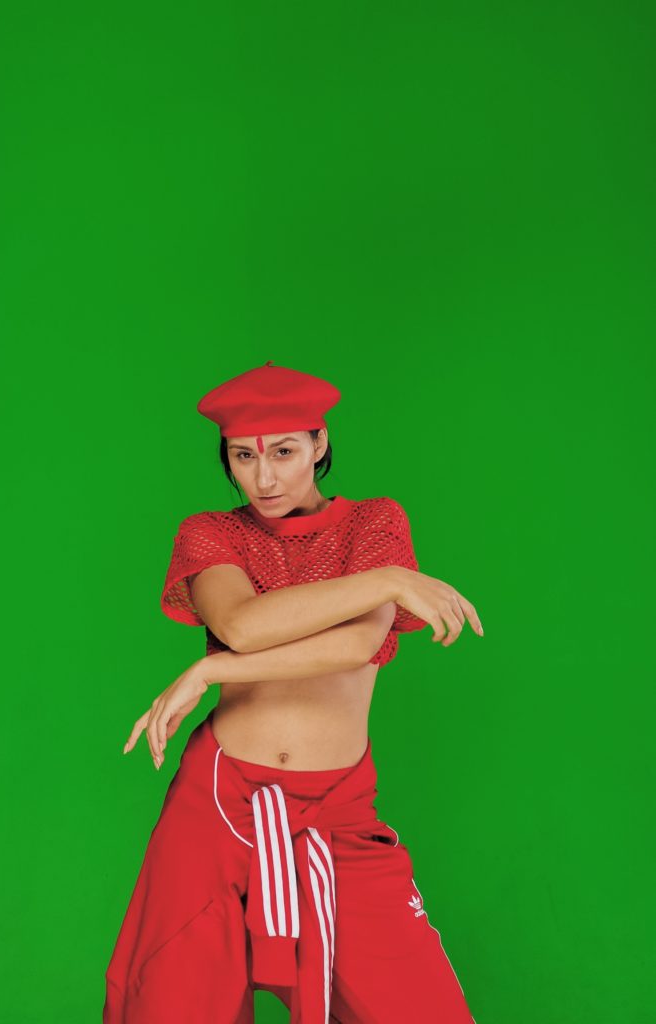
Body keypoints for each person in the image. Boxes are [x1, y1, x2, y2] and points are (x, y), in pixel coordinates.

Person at [103, 360, 484, 1023]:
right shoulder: (211, 533)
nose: (264, 478)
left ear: (319, 442)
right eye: (243, 456)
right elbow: (240, 626)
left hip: (338, 812)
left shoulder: (374, 522)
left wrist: (208, 672)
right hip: (216, 809)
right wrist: (388, 580)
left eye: (283, 452)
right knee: (173, 1002)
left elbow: (356, 645)